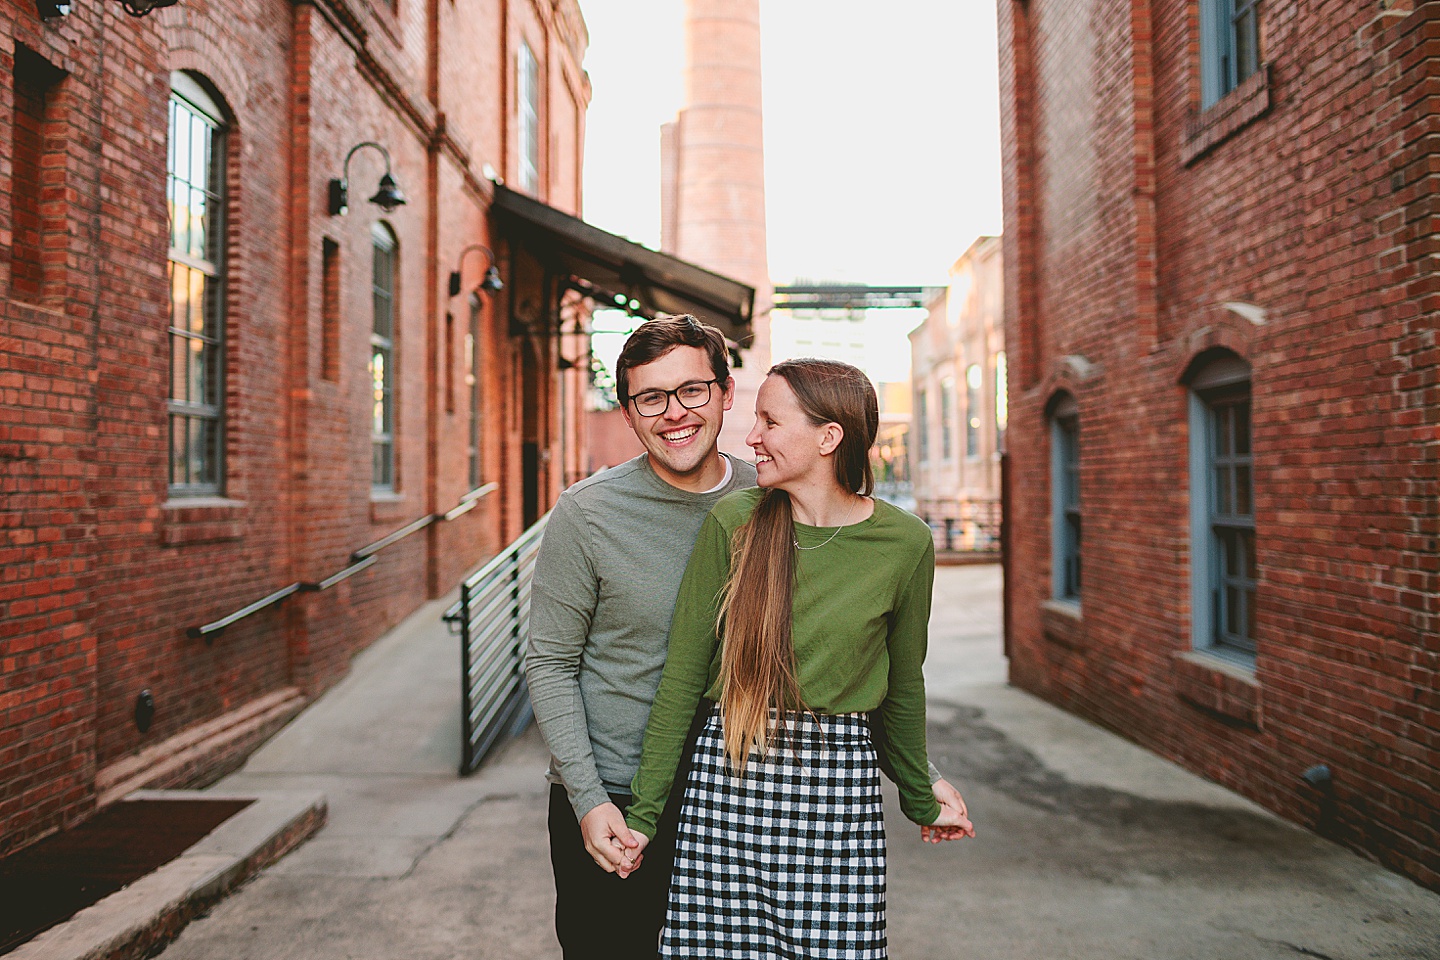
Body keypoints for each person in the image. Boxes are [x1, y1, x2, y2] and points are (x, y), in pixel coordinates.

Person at [621, 358, 974, 958]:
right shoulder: (733, 523)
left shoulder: (905, 542)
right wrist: (644, 815)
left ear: (828, 437)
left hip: (838, 794)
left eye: (769, 422)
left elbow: (901, 686)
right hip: (727, 785)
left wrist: (921, 791)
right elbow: (681, 678)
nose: (751, 438)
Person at [525, 315, 758, 960]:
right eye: (649, 398)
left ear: (726, 392)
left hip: (738, 795)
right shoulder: (588, 511)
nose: (673, 414)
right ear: (628, 413)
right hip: (618, 795)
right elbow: (549, 663)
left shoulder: (769, 502)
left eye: (692, 391)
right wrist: (588, 800)